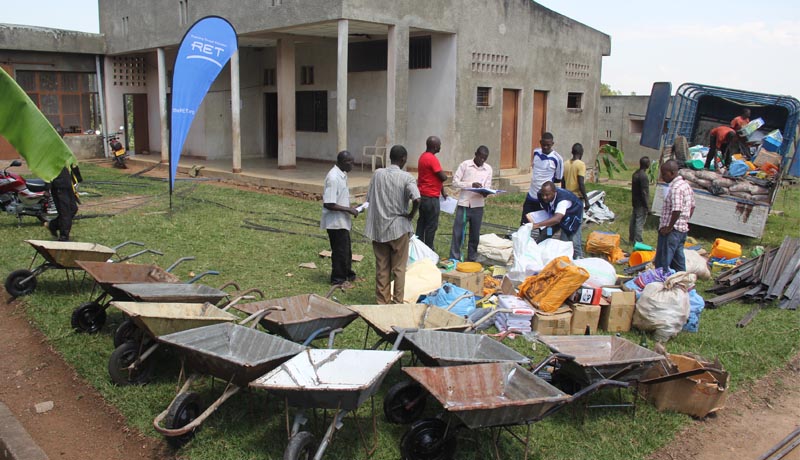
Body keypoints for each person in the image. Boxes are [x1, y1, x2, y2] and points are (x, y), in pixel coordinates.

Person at [364, 145, 421, 304]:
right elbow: (417, 198)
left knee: (382, 267)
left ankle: (382, 303)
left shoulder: (377, 174)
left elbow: (369, 199)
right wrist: (410, 215)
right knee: (399, 269)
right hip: (398, 229)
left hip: (379, 228)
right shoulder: (406, 177)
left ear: (390, 157)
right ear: (403, 159)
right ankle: (397, 303)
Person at [321, 151, 360, 287]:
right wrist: (348, 209)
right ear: (342, 162)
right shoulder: (333, 177)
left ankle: (348, 274)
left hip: (342, 220)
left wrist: (352, 207)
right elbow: (329, 203)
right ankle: (338, 279)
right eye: (350, 162)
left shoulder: (342, 175)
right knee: (339, 251)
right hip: (335, 222)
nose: (352, 165)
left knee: (346, 249)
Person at [449, 146, 493, 262]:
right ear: (475, 154)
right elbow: (455, 182)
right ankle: (455, 257)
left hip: (478, 205)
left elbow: (487, 185)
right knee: (458, 232)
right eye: (480, 157)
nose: (482, 160)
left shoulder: (488, 169)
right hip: (464, 203)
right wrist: (471, 185)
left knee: (475, 234)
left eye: (485, 158)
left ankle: (472, 257)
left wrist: (485, 192)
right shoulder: (465, 165)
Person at [655, 159, 695, 272]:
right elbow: (692, 206)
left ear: (672, 173)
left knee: (663, 262)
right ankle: (682, 281)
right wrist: (684, 221)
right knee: (678, 261)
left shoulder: (676, 188)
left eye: (664, 174)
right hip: (681, 230)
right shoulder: (686, 185)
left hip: (671, 231)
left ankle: (661, 283)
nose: (663, 177)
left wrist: (669, 227)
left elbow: (676, 210)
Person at [526, 181, 584, 259]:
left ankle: (578, 259)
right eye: (543, 195)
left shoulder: (563, 200)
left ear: (554, 192)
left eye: (547, 195)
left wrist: (537, 225)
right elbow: (550, 212)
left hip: (572, 216)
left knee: (570, 241)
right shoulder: (542, 195)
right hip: (555, 214)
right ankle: (539, 249)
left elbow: (557, 219)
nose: (544, 197)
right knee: (547, 232)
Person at [520, 132, 563, 225]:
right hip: (531, 196)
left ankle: (545, 239)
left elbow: (558, 178)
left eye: (548, 145)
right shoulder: (536, 152)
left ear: (552, 144)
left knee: (545, 226)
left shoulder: (557, 159)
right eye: (543, 145)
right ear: (540, 142)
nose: (546, 147)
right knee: (525, 224)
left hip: (545, 199)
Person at [415, 136, 447, 251]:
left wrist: (442, 190)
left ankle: (418, 248)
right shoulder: (432, 159)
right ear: (435, 146)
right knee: (431, 226)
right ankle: (428, 250)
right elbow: (442, 177)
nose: (440, 147)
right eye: (439, 145)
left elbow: (433, 176)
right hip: (431, 198)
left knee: (422, 223)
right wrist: (445, 177)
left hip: (422, 195)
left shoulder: (422, 157)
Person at [48, 126, 79, 241]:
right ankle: (64, 237)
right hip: (58, 184)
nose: (60, 136)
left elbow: (70, 164)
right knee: (65, 212)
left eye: (61, 134)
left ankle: (54, 225)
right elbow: (46, 169)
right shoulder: (50, 149)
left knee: (73, 209)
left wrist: (77, 179)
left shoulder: (62, 147)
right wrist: (48, 187)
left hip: (67, 183)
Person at [629, 156, 651, 247]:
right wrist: (647, 207)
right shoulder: (644, 176)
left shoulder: (635, 174)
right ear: (647, 164)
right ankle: (638, 242)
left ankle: (631, 238)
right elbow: (644, 192)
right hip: (641, 203)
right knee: (639, 223)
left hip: (635, 201)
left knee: (633, 221)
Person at [563, 143, 590, 210]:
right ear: (581, 152)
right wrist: (586, 199)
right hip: (576, 197)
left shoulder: (565, 164)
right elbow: (581, 183)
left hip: (567, 196)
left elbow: (563, 182)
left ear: (572, 152)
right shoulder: (581, 164)